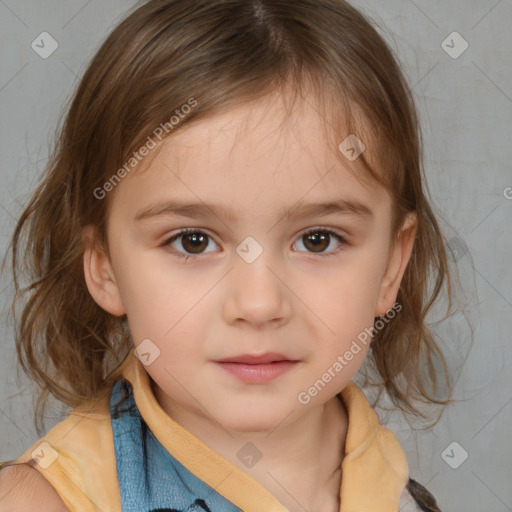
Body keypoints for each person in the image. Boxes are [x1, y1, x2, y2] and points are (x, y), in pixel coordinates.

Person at [0, 0, 459, 510]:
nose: (259, 304)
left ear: (391, 266)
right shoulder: (44, 500)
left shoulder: (394, 487)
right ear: (104, 265)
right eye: (193, 241)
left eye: (317, 240)